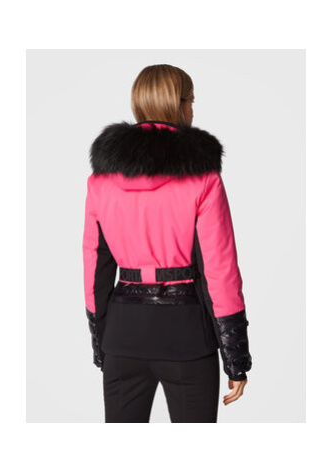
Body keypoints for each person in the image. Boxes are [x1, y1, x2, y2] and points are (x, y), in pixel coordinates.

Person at [82, 64, 252, 423]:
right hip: (187, 336)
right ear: (179, 104)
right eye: (192, 102)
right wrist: (236, 359)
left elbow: (95, 267)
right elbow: (219, 270)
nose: (193, 111)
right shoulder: (203, 177)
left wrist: (101, 341)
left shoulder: (101, 180)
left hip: (123, 337)